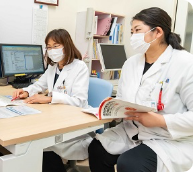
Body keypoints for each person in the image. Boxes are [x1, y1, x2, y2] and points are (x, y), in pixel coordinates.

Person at [88, 7, 193, 172]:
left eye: (137, 30)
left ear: (157, 32)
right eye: (132, 32)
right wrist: (111, 111)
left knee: (130, 163)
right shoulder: (131, 63)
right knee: (96, 148)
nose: (133, 37)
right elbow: (121, 98)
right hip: (131, 130)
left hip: (169, 138)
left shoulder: (186, 64)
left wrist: (160, 121)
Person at [13, 29, 91, 172]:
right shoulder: (52, 67)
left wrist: (49, 98)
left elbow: (79, 101)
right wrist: (26, 91)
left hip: (72, 122)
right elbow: (39, 85)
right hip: (55, 118)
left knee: (37, 145)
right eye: (49, 47)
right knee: (33, 142)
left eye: (56, 46)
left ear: (66, 45)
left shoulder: (80, 67)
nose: (52, 50)